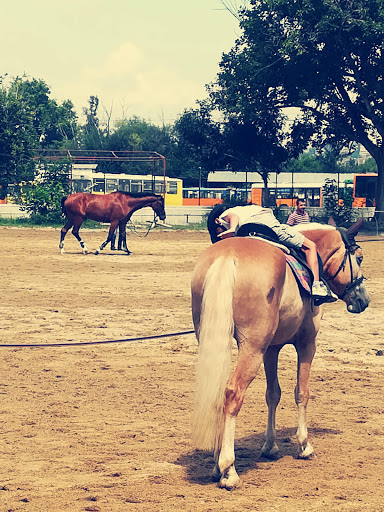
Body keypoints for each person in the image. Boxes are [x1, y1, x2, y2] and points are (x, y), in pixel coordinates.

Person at [208, 204, 337, 304]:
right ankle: (316, 285)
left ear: (217, 221)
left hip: (252, 225)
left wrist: (231, 229)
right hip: (265, 223)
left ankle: (316, 285)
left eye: (218, 233)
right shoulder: (243, 210)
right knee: (311, 246)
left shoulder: (224, 215)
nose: (221, 237)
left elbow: (233, 217)